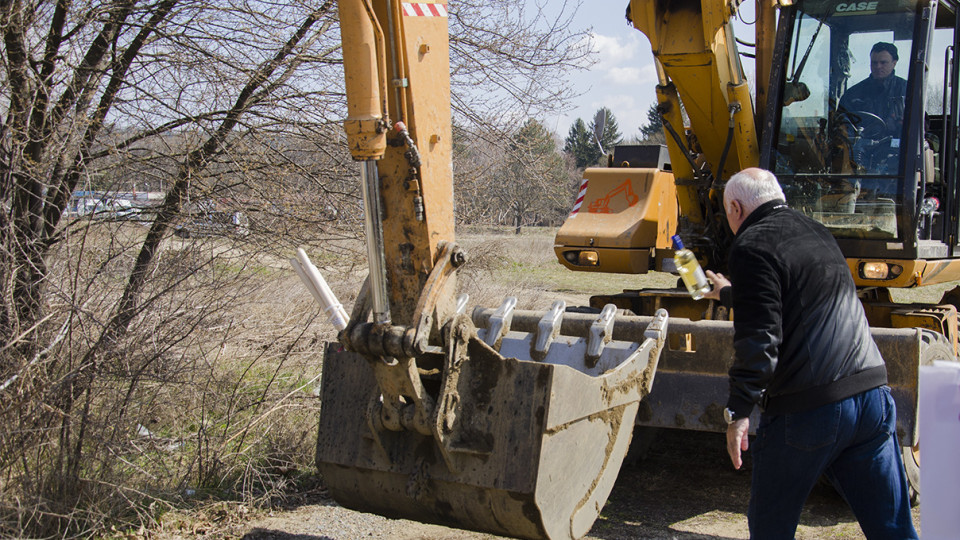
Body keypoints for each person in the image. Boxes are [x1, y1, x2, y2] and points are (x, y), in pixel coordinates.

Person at [703, 168, 917, 539]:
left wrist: (738, 412)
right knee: (892, 528)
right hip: (871, 398)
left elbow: (760, 337)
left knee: (772, 527)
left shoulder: (752, 245)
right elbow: (794, 297)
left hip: (809, 408)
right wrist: (727, 293)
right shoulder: (817, 232)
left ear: (735, 207)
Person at [838, 41, 907, 139]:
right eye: (874, 63)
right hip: (860, 150)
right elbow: (840, 124)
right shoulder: (853, 94)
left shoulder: (907, 90)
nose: (878, 67)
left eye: (883, 63)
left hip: (896, 150)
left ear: (894, 63)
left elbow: (921, 125)